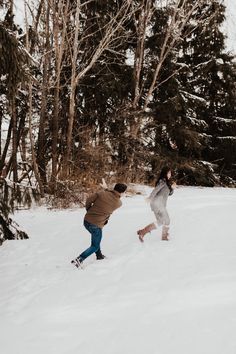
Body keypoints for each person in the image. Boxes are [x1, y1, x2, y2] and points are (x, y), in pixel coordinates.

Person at [71, 183, 127, 268]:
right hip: (96, 225)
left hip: (86, 221)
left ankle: (99, 256)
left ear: (114, 187)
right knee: (95, 245)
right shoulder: (118, 203)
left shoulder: (101, 193)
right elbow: (111, 199)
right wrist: (107, 190)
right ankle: (79, 259)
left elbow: (89, 199)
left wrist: (88, 209)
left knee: (96, 239)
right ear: (122, 192)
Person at [137, 166, 176, 242]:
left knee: (161, 221)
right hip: (157, 203)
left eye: (170, 173)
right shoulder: (162, 181)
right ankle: (164, 236)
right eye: (168, 173)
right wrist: (150, 198)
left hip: (160, 204)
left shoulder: (167, 182)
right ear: (164, 173)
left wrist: (172, 188)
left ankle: (142, 232)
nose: (170, 174)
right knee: (166, 220)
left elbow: (169, 193)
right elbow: (155, 190)